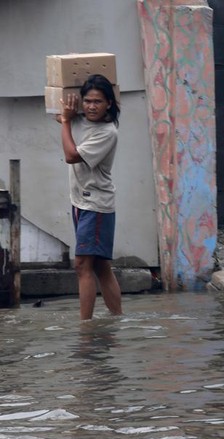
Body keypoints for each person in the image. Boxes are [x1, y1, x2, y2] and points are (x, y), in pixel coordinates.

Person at [57, 74, 123, 320]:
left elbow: (71, 155)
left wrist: (65, 121)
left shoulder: (107, 132)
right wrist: (65, 116)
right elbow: (60, 116)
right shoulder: (83, 120)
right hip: (80, 202)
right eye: (87, 101)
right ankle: (116, 317)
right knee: (100, 266)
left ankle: (85, 326)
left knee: (82, 265)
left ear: (109, 103)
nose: (92, 106)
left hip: (95, 204)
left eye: (97, 101)